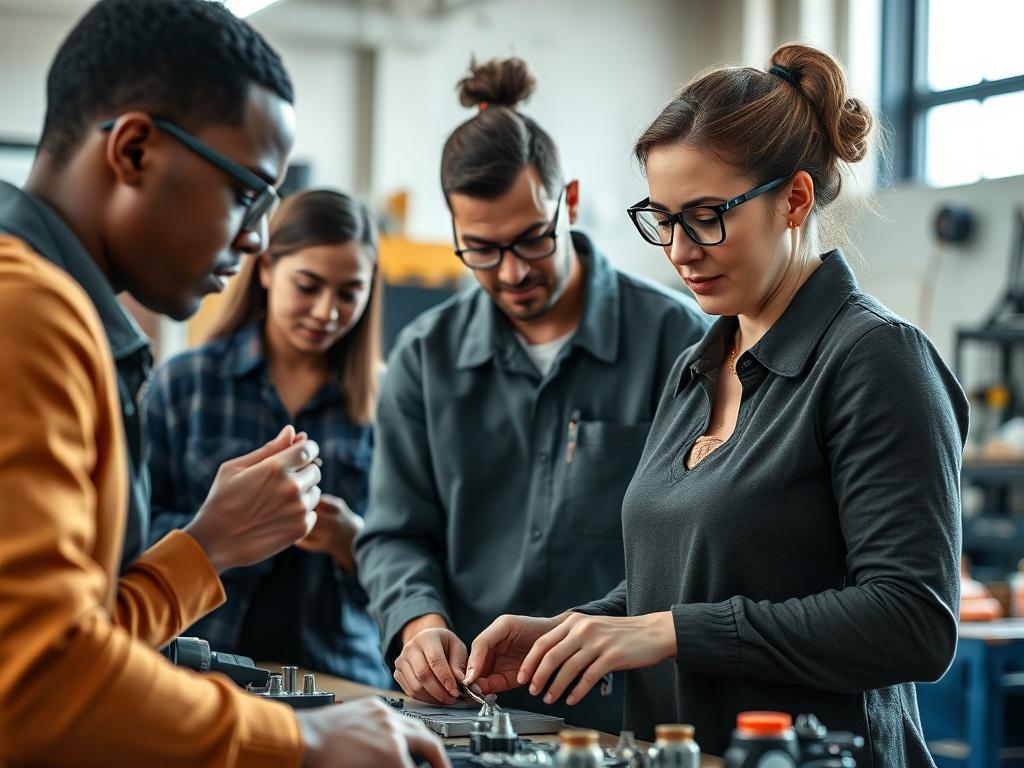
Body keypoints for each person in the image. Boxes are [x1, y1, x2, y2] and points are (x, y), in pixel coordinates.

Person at [466, 43, 968, 765]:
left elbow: (912, 621)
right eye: (661, 218)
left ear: (794, 199)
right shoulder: (695, 368)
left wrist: (672, 631)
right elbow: (685, 577)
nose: (678, 250)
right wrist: (571, 629)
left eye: (705, 216)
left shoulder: (876, 360)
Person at [0, 1, 447, 765]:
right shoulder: (32, 316)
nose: (256, 241)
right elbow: (34, 685)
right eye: (247, 194)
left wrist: (203, 546)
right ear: (135, 150)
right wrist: (300, 738)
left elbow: (79, 632)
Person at [354, 56, 709, 733]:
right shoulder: (423, 361)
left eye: (532, 239)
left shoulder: (681, 343)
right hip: (468, 715)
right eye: (481, 250)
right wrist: (418, 625)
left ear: (567, 201)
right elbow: (395, 533)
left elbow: (704, 545)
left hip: (633, 716)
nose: (512, 272)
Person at [146, 188, 391, 687]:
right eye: (308, 285)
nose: (327, 312)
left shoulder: (389, 404)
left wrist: (353, 542)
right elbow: (126, 539)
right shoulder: (186, 384)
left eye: (349, 293)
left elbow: (417, 572)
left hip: (339, 676)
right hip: (201, 665)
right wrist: (225, 527)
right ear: (265, 270)